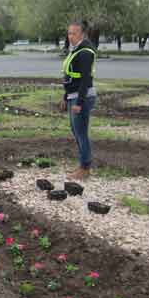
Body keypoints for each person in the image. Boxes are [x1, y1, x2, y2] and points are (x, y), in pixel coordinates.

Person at [60, 20, 97, 180]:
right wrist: (65, 97)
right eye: (69, 33)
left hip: (82, 97)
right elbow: (70, 77)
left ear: (82, 34)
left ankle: (85, 168)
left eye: (74, 33)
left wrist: (79, 103)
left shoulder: (85, 52)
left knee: (81, 133)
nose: (70, 36)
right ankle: (82, 165)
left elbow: (84, 81)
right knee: (76, 131)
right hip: (73, 96)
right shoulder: (75, 50)